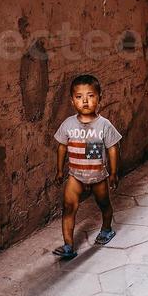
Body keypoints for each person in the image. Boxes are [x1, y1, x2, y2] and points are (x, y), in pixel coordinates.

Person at [52, 74, 122, 260]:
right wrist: (59, 170)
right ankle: (68, 246)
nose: (85, 101)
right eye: (79, 96)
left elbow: (112, 149)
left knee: (104, 203)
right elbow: (62, 147)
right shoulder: (68, 124)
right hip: (75, 176)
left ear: (99, 97)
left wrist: (113, 172)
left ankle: (107, 229)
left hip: (98, 175)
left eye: (90, 95)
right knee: (68, 207)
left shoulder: (103, 125)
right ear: (72, 100)